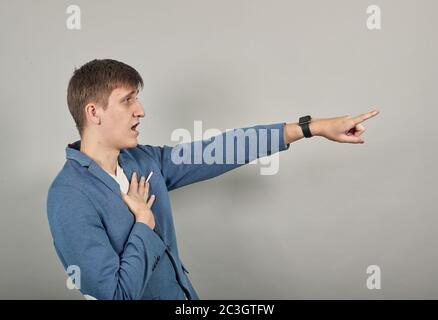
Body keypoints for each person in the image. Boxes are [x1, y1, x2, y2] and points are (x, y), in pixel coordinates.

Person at [47, 59, 380, 300]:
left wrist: (311, 128)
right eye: (128, 100)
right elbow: (117, 294)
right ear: (94, 112)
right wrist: (144, 224)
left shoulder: (145, 161)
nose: (141, 110)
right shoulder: (69, 195)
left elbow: (221, 149)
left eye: (137, 98)